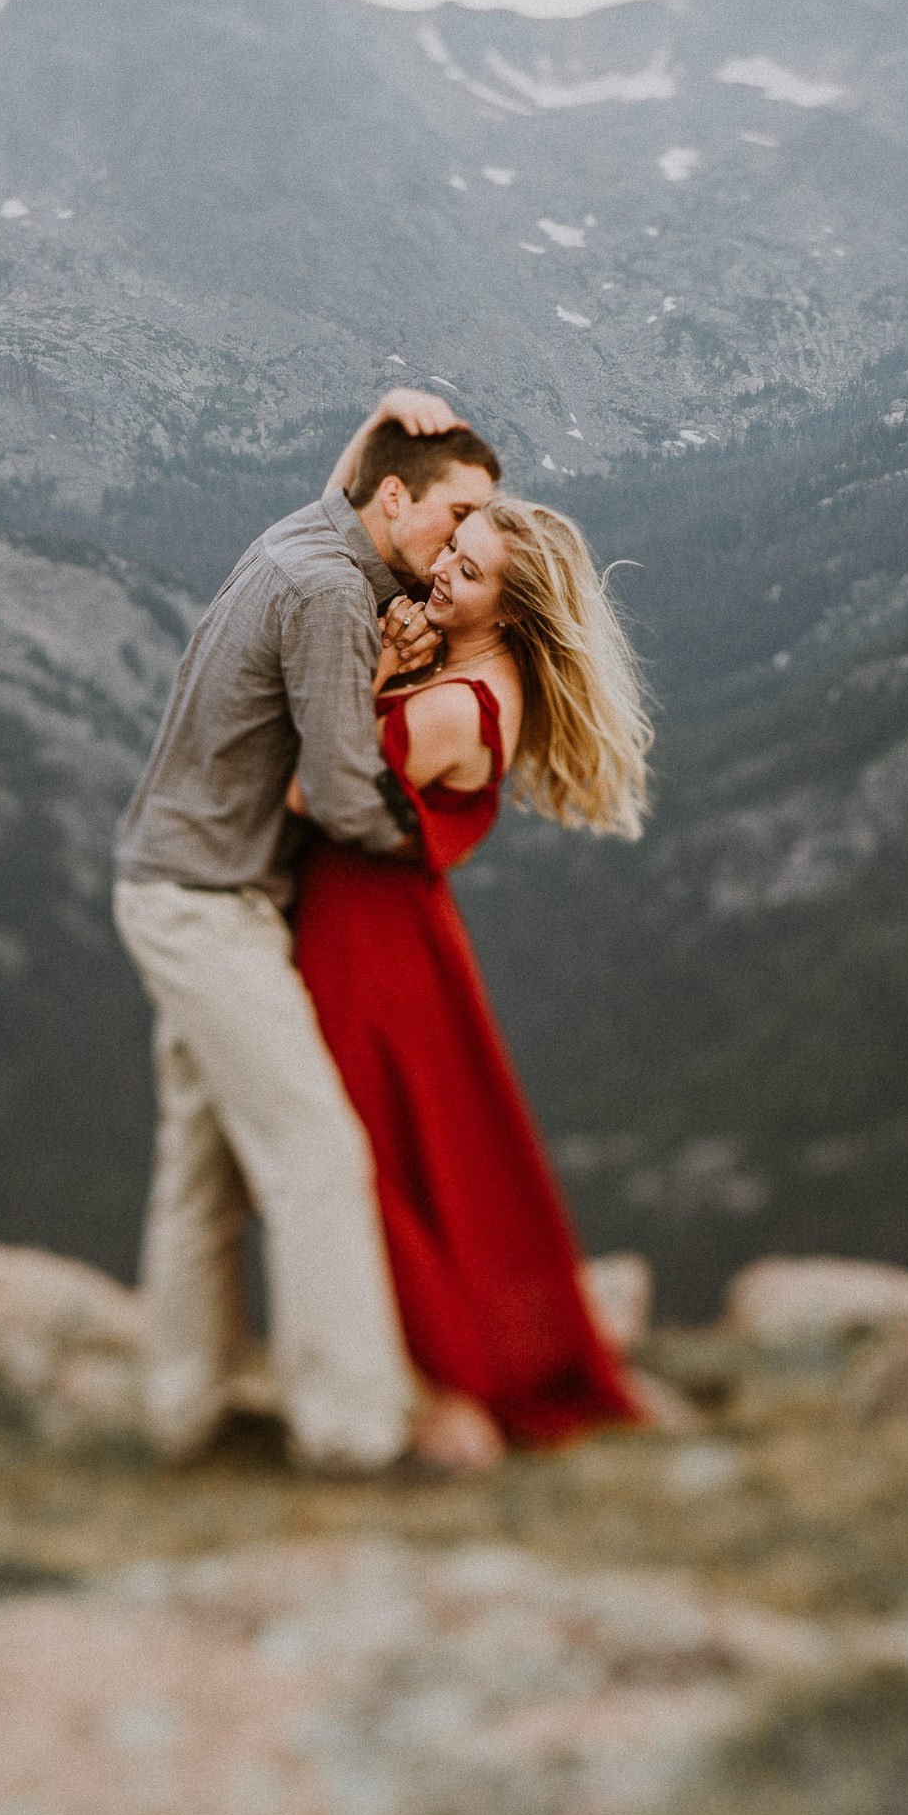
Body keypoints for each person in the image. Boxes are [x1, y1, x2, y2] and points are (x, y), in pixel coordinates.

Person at [112, 388, 502, 1473]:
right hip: (210, 905)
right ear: (391, 496)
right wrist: (423, 846)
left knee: (202, 1168)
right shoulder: (332, 592)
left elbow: (358, 485)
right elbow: (338, 788)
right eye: (455, 512)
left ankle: (186, 1410)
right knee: (318, 1154)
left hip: (171, 882)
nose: (464, 539)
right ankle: (357, 1431)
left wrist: (383, 412)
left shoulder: (307, 534)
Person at [290, 423, 655, 1467]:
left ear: (515, 603)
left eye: (472, 567)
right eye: (453, 548)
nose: (444, 569)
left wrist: (370, 675)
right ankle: (462, 1361)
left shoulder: (453, 706)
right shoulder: (481, 681)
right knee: (436, 1156)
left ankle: (451, 1382)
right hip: (399, 933)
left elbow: (316, 782)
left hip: (366, 941)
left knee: (371, 1158)